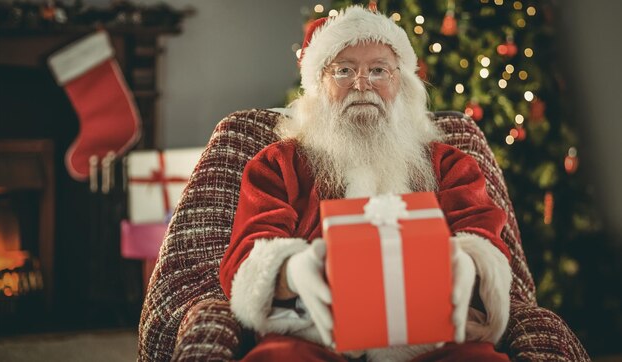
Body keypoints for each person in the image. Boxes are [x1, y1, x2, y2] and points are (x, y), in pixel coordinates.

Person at [219, 6, 512, 361]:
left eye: (378, 70)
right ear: (318, 86)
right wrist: (291, 273)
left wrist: (469, 264)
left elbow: (484, 238)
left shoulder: (450, 165)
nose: (362, 84)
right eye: (343, 71)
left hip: (432, 342)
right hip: (314, 336)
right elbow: (248, 253)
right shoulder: (278, 165)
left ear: (400, 83)